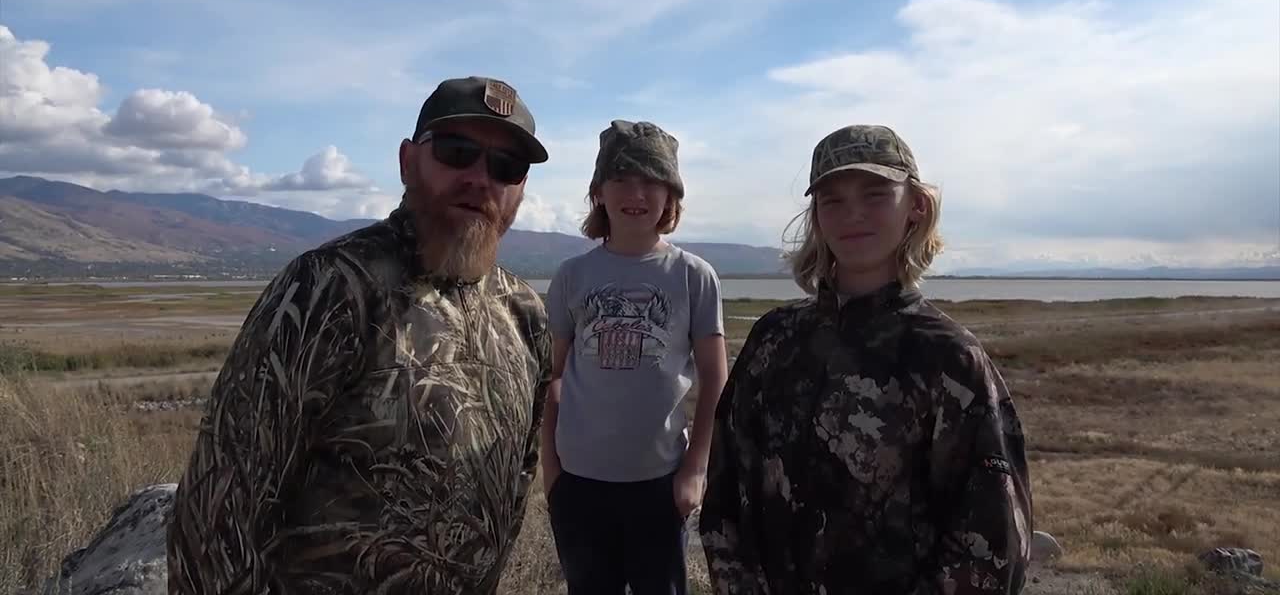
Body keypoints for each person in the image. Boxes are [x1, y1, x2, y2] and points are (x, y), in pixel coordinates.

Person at [166, 76, 553, 594]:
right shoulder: (328, 288)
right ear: (407, 162)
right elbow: (217, 511)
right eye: (457, 152)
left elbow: (517, 483)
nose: (481, 179)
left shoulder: (524, 314)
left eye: (507, 167)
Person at [698, 124, 1033, 594]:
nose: (852, 213)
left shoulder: (948, 358)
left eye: (876, 193)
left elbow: (994, 547)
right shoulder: (774, 339)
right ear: (816, 216)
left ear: (916, 205)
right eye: (832, 199)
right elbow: (724, 497)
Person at [539, 120, 729, 595]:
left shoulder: (694, 276)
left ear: (671, 197)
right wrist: (552, 470)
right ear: (598, 191)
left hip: (659, 483)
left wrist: (695, 470)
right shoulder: (571, 275)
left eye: (651, 181)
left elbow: (714, 378)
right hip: (579, 484)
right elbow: (552, 376)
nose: (636, 192)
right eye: (622, 178)